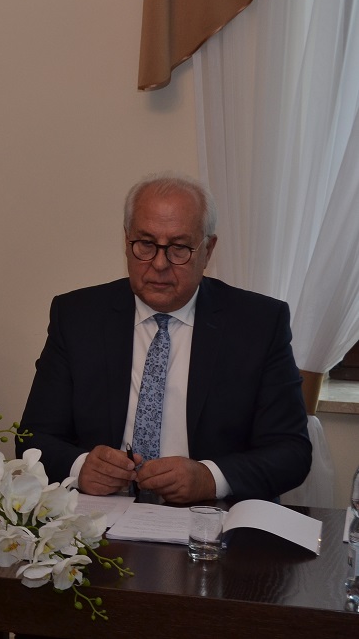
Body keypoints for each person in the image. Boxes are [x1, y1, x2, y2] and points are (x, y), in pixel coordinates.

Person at [19, 174, 311, 504]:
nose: (159, 264)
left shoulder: (258, 323)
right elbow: (33, 437)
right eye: (145, 244)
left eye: (179, 248)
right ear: (126, 241)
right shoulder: (77, 316)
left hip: (211, 519)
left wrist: (211, 478)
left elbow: (291, 452)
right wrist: (80, 466)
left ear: (208, 250)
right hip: (100, 517)